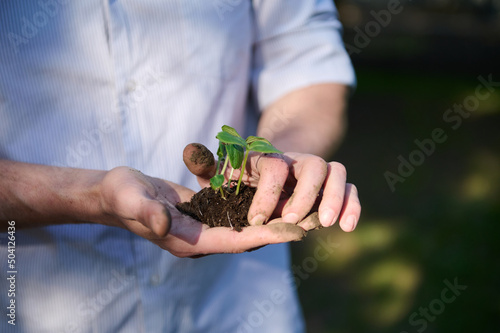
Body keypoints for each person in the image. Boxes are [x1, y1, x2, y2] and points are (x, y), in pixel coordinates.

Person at [0, 1, 361, 332]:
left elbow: (305, 60)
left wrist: (280, 161)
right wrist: (89, 196)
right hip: (48, 312)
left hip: (240, 307)